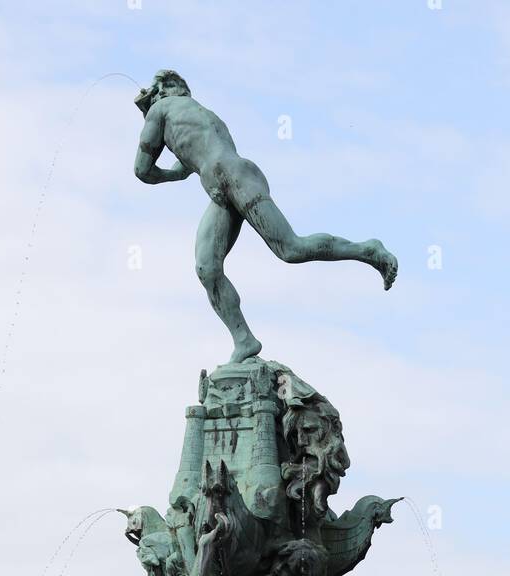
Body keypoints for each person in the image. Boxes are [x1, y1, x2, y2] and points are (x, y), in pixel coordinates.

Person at [132, 70, 398, 363]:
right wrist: (183, 168)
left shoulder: (161, 109)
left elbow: (142, 170)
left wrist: (166, 167)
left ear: (165, 91)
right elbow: (193, 162)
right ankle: (244, 340)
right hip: (226, 183)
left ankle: (367, 250)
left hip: (232, 177)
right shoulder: (195, 116)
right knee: (207, 268)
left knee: (291, 249)